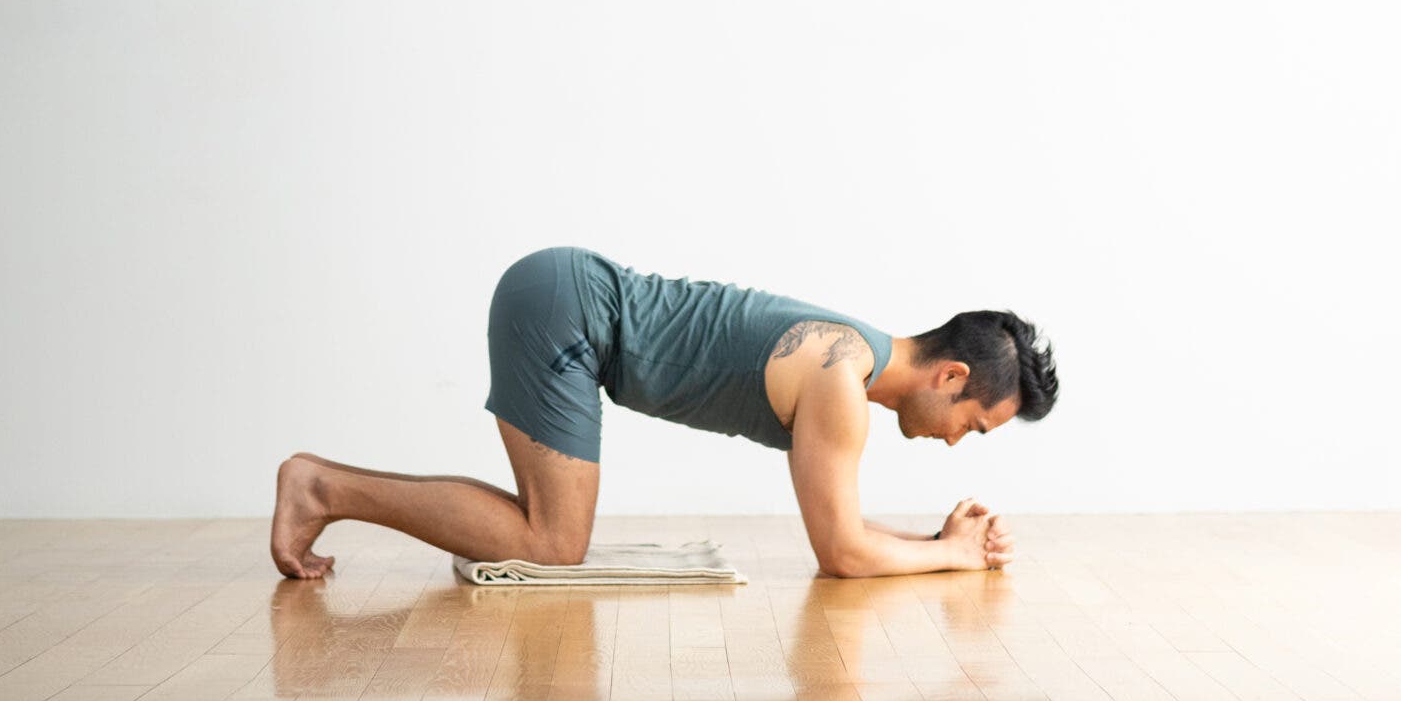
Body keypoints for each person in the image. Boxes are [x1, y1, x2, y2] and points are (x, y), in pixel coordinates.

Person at [270, 244, 1058, 580]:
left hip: (562, 294)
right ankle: (322, 489)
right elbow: (842, 557)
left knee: (549, 536)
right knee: (552, 544)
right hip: (568, 310)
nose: (956, 443)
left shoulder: (848, 362)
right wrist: (955, 559)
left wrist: (935, 542)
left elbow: (841, 530)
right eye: (972, 424)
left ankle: (324, 488)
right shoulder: (841, 382)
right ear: (952, 376)